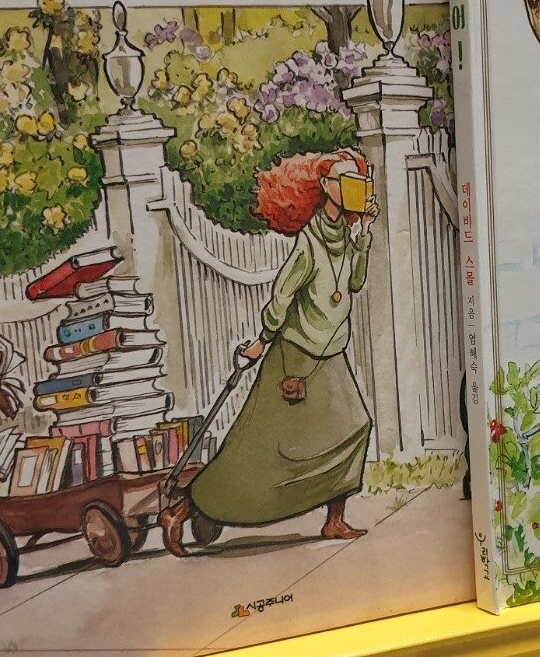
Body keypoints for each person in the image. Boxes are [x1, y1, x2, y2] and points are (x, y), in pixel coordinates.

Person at [160, 147, 378, 556]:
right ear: (325, 187)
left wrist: (364, 234)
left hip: (331, 351)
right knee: (257, 448)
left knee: (355, 427)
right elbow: (282, 294)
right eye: (347, 181)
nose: (356, 188)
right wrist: (263, 338)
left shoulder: (344, 239)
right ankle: (180, 509)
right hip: (294, 354)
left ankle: (334, 519)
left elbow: (354, 283)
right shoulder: (309, 242)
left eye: (359, 181)